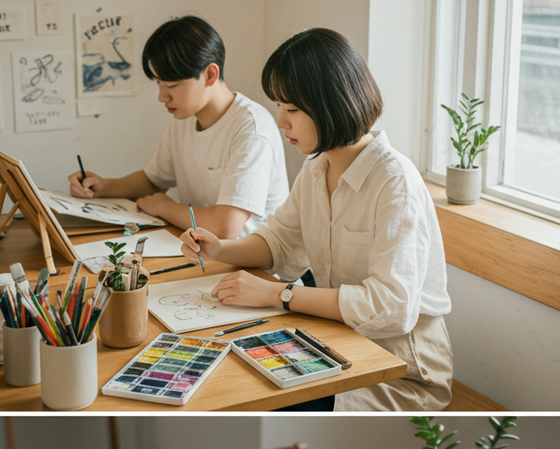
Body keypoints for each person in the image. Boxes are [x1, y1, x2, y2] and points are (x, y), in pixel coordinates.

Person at [180, 28, 452, 412]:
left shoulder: (395, 182)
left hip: (400, 371)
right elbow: (279, 242)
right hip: (339, 344)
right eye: (278, 106)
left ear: (330, 104)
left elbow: (392, 307)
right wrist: (222, 247)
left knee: (267, 403)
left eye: (291, 109)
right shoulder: (316, 167)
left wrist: (279, 294)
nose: (280, 121)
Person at [69, 16, 288, 238]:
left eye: (172, 85)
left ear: (210, 75)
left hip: (254, 268)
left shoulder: (251, 128)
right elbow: (154, 181)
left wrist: (164, 207)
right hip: (204, 253)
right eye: (158, 83)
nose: (162, 96)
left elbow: (225, 228)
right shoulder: (184, 120)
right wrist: (102, 187)